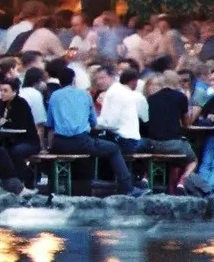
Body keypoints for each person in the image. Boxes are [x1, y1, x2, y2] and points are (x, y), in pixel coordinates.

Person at [41, 60, 143, 196]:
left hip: (60, 144)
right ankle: (127, 187)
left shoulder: (54, 96)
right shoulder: (84, 95)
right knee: (113, 148)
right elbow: (93, 122)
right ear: (74, 80)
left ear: (60, 81)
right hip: (81, 142)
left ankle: (52, 189)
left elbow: (49, 124)